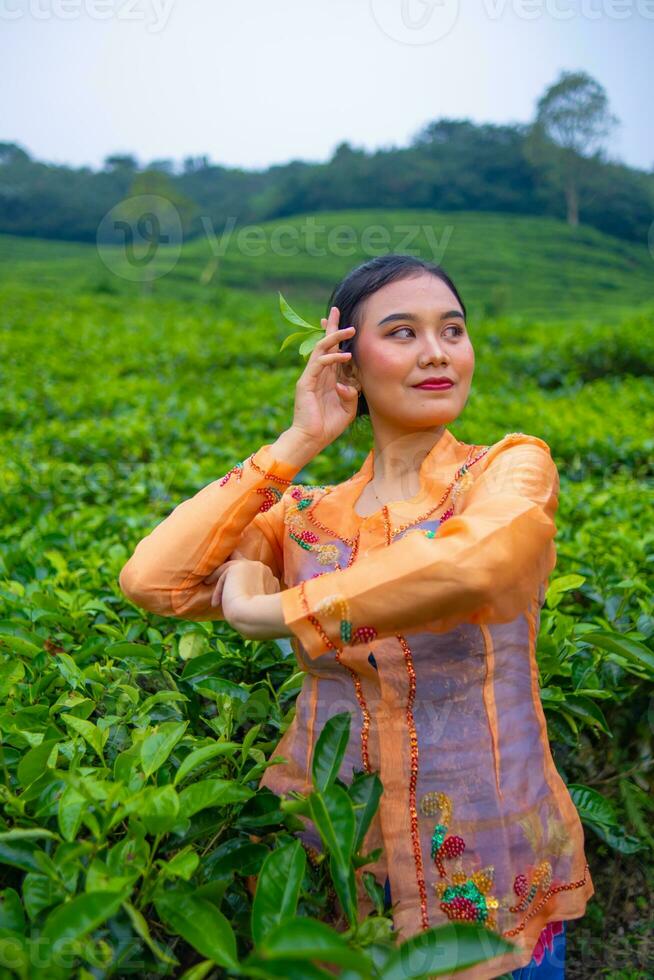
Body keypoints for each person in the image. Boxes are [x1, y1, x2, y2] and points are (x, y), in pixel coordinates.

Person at [118, 254, 593, 978]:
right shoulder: (305, 516)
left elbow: (475, 564)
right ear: (347, 362)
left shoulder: (506, 472)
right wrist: (299, 442)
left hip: (487, 865)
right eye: (402, 333)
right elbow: (153, 578)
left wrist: (277, 608)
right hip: (333, 860)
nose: (437, 352)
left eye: (453, 330)